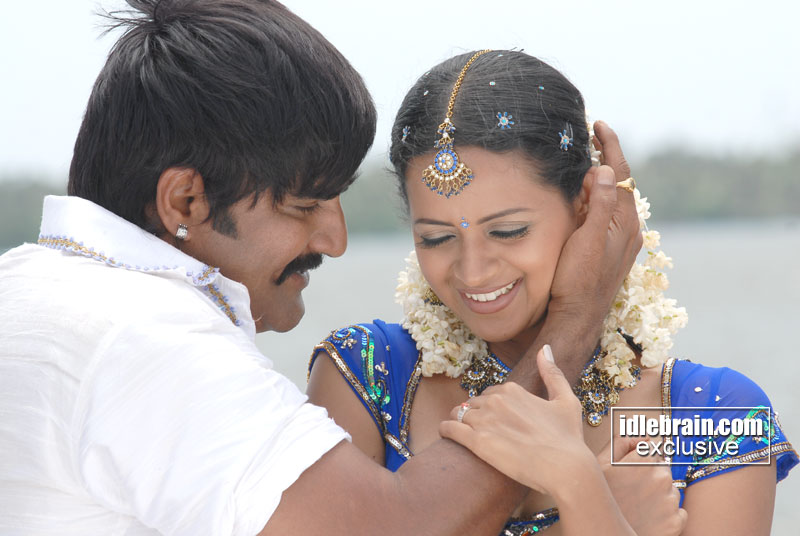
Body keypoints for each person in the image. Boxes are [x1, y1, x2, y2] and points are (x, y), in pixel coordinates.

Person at [0, 2, 645, 535]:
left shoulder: (699, 405)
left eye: (508, 229)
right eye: (305, 205)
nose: (335, 241)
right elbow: (403, 528)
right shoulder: (353, 368)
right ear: (186, 201)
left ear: (583, 207)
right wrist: (577, 318)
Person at [307, 50, 799, 534]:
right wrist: (595, 511)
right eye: (436, 238)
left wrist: (581, 490)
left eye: (508, 231)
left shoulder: (710, 416)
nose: (473, 272)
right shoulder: (368, 376)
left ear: (587, 204)